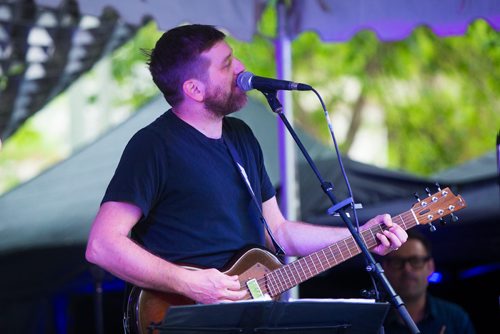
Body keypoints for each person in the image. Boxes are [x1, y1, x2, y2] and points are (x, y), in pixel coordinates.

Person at [85, 24, 407, 309]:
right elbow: (103, 245)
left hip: (247, 312)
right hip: (181, 314)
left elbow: (278, 233)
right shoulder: (154, 146)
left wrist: (359, 237)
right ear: (194, 89)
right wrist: (187, 282)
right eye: (226, 65)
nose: (240, 68)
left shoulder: (241, 137)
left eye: (234, 57)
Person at [381, 229, 476, 334]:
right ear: (385, 268)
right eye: (397, 262)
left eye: (415, 260)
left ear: (430, 266)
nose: (407, 269)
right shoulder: (374, 319)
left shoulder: (455, 318)